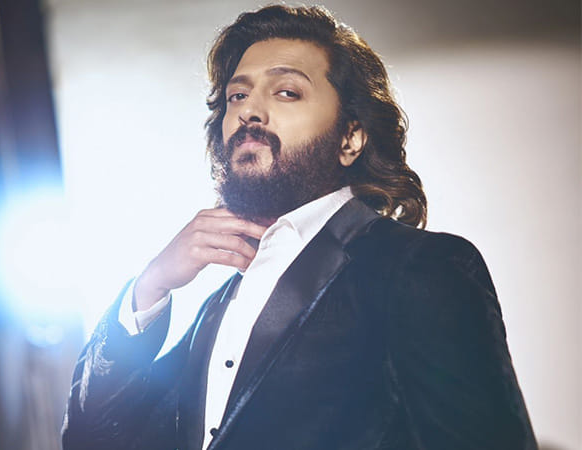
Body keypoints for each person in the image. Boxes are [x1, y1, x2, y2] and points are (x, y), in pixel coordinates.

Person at [62, 5, 537, 450]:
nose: (249, 110)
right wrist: (150, 286)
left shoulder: (422, 267)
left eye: (287, 92)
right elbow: (90, 439)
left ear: (350, 137)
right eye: (237, 95)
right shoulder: (216, 308)